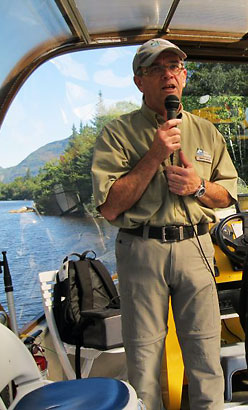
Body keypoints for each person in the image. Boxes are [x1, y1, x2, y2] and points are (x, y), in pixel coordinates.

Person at [91, 38, 238, 409]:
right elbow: (109, 208)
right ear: (139, 81)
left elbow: (228, 195)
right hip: (142, 251)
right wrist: (155, 153)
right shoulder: (117, 134)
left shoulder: (207, 132)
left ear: (184, 77)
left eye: (174, 67)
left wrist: (199, 186)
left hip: (196, 248)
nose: (167, 75)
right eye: (156, 69)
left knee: (206, 355)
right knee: (143, 361)